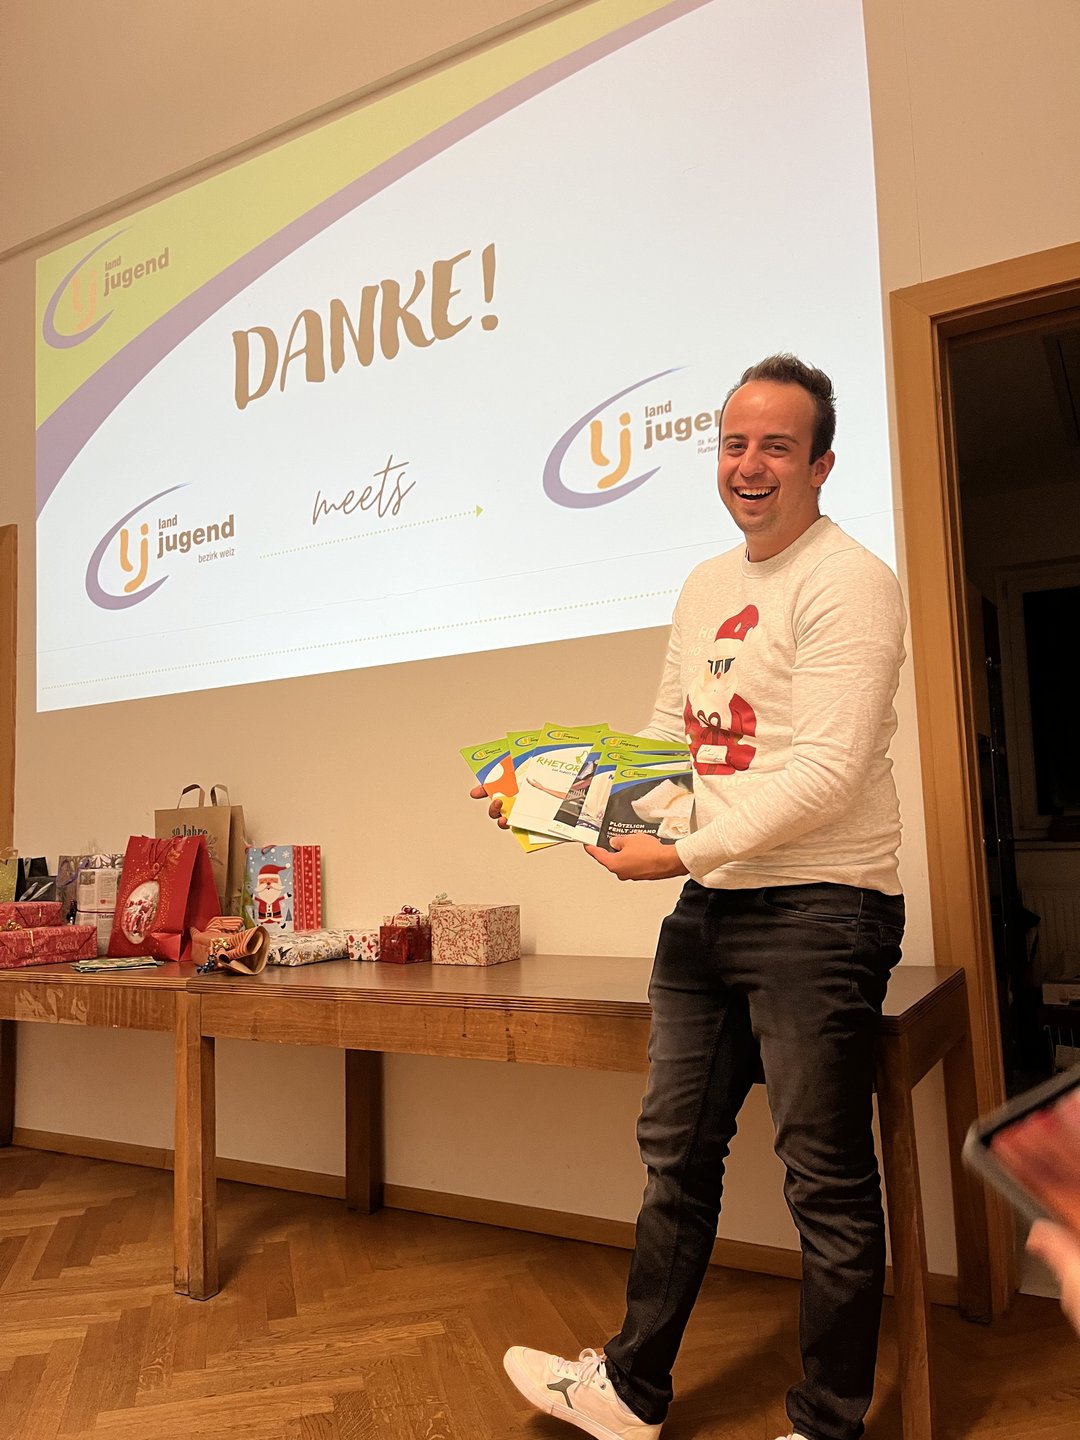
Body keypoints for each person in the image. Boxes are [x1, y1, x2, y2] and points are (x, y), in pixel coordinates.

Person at [476, 355, 908, 1440]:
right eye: (733, 444)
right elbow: (669, 749)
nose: (749, 465)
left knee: (823, 1181)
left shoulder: (851, 580)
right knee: (675, 1156)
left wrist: (681, 855)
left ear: (821, 465)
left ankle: (828, 1425)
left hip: (825, 907)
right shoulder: (705, 583)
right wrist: (546, 798)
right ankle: (630, 1392)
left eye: (776, 446)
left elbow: (830, 774)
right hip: (715, 905)